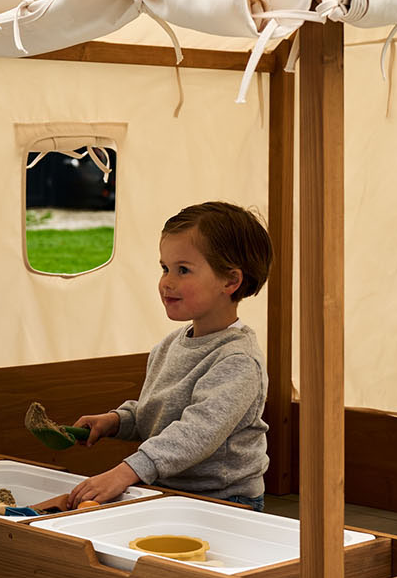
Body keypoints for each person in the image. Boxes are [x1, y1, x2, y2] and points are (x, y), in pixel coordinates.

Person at [66, 200, 273, 512]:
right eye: (165, 268)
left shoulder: (238, 360)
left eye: (183, 270)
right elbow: (158, 413)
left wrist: (125, 472)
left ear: (230, 281)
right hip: (167, 490)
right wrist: (116, 421)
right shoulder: (169, 345)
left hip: (224, 501)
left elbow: (196, 433)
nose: (167, 282)